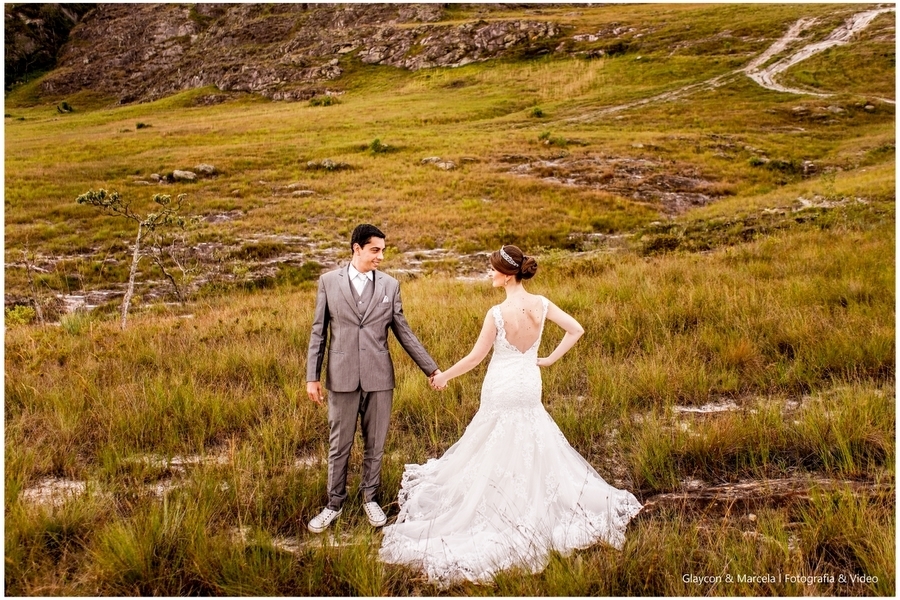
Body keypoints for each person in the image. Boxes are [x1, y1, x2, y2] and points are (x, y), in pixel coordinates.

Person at [378, 244, 643, 586]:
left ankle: (495, 503)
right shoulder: (542, 304)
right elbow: (576, 329)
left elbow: (475, 358)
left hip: (501, 388)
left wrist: (443, 376)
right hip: (529, 384)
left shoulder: (497, 314)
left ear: (505, 275)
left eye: (492, 270)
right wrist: (547, 359)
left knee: (492, 442)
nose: (489, 274)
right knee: (532, 438)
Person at [306, 224, 442, 533]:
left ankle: (370, 498)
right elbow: (319, 333)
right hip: (340, 378)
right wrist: (311, 377)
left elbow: (403, 332)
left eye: (383, 250)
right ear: (357, 248)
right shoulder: (329, 282)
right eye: (375, 250)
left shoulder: (390, 286)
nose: (381, 256)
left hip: (380, 378)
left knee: (375, 444)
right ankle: (333, 504)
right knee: (339, 444)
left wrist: (431, 369)